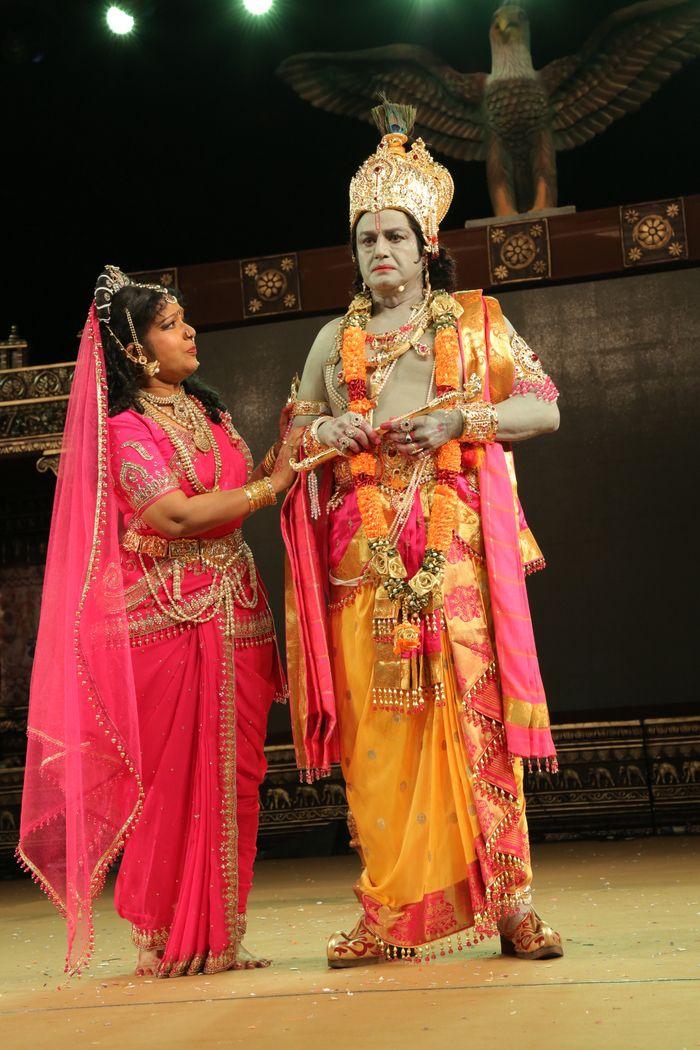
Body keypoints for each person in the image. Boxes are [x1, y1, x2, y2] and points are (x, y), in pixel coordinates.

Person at [282, 102, 564, 966]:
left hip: (454, 559)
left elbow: (545, 407)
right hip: (363, 564)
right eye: (365, 236)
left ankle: (513, 903)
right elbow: (294, 436)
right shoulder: (335, 338)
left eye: (395, 236)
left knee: (475, 723)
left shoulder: (475, 321)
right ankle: (388, 912)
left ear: (426, 244)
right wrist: (327, 435)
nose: (378, 251)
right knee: (380, 742)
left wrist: (461, 422)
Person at [18, 266, 296, 978]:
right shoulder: (125, 430)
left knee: (236, 779)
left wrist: (289, 451)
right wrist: (270, 486)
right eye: (172, 324)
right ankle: (164, 936)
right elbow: (170, 516)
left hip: (236, 614)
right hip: (165, 624)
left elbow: (234, 492)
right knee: (171, 783)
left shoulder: (209, 412)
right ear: (137, 350)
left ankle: (221, 936)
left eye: (184, 320)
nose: (190, 331)